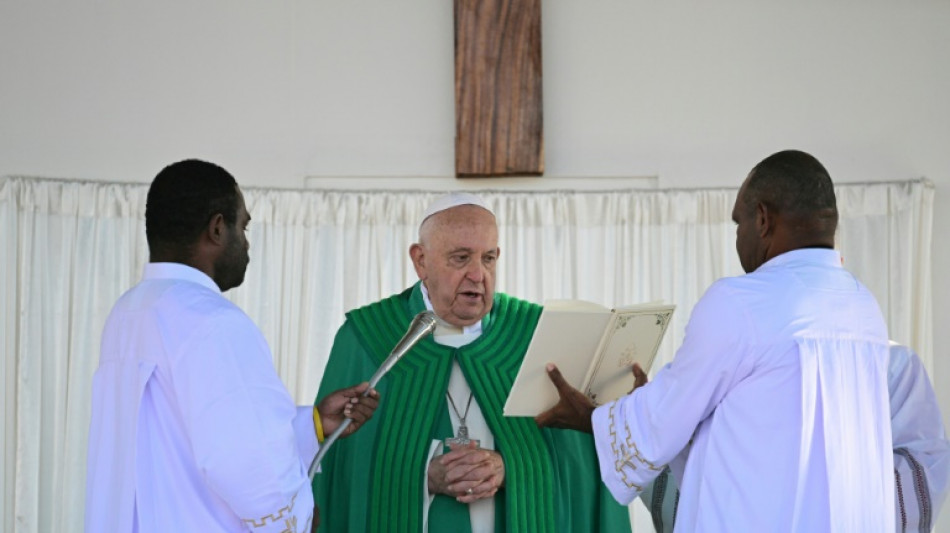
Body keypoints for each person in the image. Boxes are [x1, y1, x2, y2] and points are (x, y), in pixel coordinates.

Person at [537, 149, 895, 530]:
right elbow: (757, 428)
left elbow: (663, 421)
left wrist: (592, 418)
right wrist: (649, 401)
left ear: (762, 219)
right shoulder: (863, 307)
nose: (738, 236)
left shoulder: (741, 302)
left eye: (738, 222)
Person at [85, 159, 379, 533]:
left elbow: (173, 439)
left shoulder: (128, 312)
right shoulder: (212, 320)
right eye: (244, 226)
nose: (247, 243)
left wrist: (314, 424)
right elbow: (246, 459)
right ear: (218, 228)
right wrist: (297, 518)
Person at [311, 192, 630, 532]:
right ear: (421, 260)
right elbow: (338, 470)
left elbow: (583, 467)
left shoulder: (536, 335)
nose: (478, 275)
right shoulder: (367, 337)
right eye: (461, 258)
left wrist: (511, 469)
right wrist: (423, 474)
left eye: (488, 258)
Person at [636, 343, 950, 533]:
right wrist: (646, 422)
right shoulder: (726, 367)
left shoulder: (889, 364)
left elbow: (922, 470)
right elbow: (689, 472)